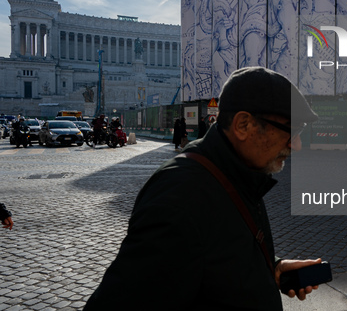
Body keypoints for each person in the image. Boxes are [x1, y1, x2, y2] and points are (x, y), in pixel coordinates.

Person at [84, 67, 321, 310]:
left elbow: (216, 260)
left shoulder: (238, 170)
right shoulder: (179, 199)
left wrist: (271, 269)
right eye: (291, 131)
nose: (297, 145)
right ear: (243, 125)